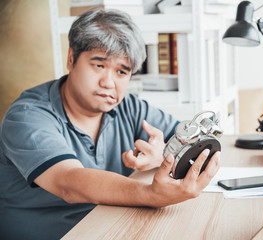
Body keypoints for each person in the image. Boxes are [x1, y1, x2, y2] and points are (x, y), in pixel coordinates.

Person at [0, 9, 220, 240]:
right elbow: (69, 183)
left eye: (121, 71)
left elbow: (198, 143)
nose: (108, 83)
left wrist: (165, 157)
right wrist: (150, 194)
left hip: (112, 228)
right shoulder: (27, 116)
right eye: (99, 65)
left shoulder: (129, 108)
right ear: (71, 59)